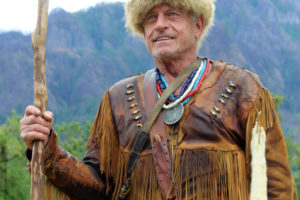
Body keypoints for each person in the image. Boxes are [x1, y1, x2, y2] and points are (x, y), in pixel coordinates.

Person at [20, 0, 297, 199]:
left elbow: (276, 188)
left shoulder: (243, 89)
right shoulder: (117, 98)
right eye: (150, 18)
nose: (160, 25)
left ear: (198, 24)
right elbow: (98, 188)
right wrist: (47, 149)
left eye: (172, 13)